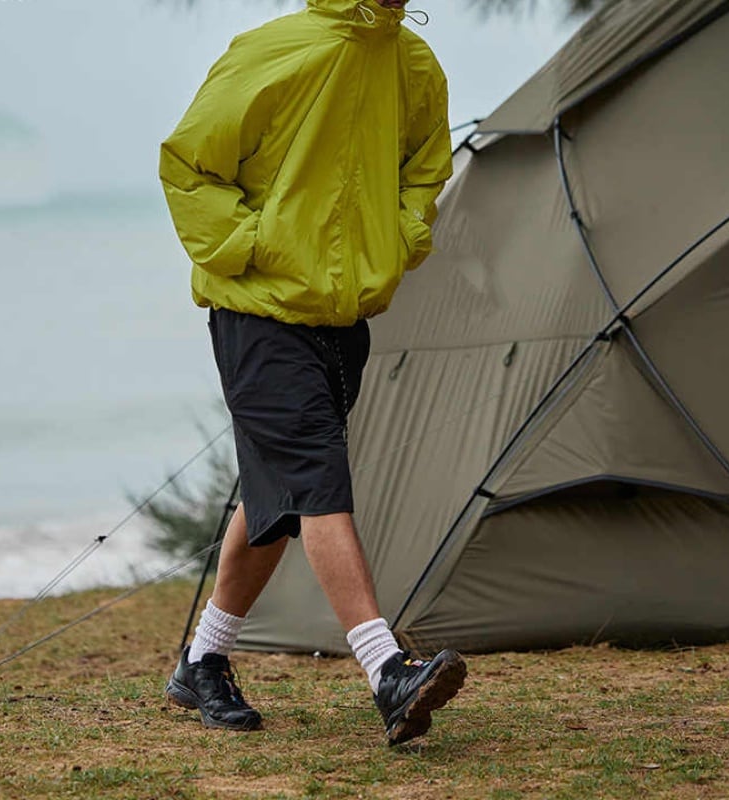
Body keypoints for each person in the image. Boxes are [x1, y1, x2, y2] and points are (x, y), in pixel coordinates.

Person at [159, 0, 465, 746]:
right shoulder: (272, 49)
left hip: (345, 317)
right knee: (316, 480)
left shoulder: (414, 62)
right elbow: (190, 165)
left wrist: (397, 239)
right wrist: (254, 246)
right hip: (258, 311)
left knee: (282, 490)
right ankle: (386, 669)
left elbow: (425, 170)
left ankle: (203, 662)